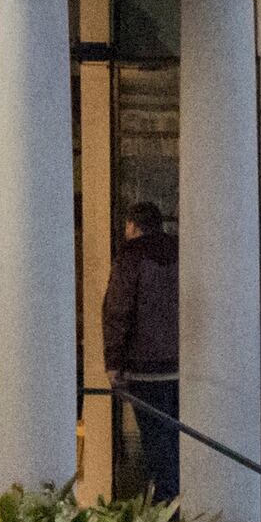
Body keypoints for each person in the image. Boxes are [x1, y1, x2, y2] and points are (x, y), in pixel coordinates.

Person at [101, 200, 182, 501]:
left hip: (144, 367)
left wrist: (113, 361)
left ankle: (165, 508)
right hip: (178, 364)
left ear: (133, 226)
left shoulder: (130, 257)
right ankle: (176, 503)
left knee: (154, 441)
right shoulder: (180, 252)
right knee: (174, 437)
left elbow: (118, 311)